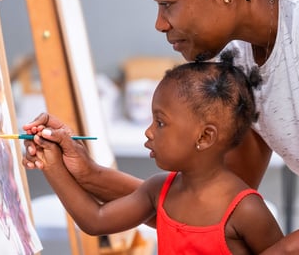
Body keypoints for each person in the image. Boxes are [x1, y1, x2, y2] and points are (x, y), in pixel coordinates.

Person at [23, 0, 299, 253]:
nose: (160, 24)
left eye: (167, 3)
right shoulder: (236, 55)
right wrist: (88, 174)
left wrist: (282, 250)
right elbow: (204, 208)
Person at [29, 50, 283, 254]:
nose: (149, 132)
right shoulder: (159, 190)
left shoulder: (247, 210)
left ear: (205, 137)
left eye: (160, 122)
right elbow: (95, 220)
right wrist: (52, 165)